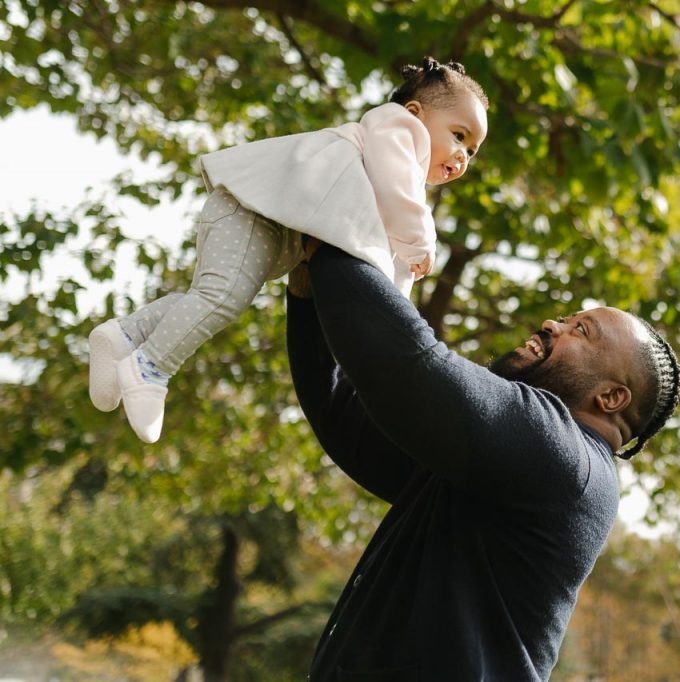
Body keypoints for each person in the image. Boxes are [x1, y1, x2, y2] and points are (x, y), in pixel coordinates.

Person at [286, 242, 680, 681]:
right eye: (568, 319)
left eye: (581, 331)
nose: (553, 324)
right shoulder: (500, 467)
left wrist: (335, 239)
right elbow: (343, 416)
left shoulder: (565, 461)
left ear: (610, 397)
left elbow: (411, 366)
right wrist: (305, 296)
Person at [86, 57, 488, 443]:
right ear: (416, 113)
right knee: (223, 297)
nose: (462, 156)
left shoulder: (397, 173)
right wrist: (421, 242)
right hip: (250, 212)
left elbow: (381, 259)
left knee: (215, 296)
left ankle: (123, 336)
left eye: (471, 151)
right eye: (458, 135)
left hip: (263, 225)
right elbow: (396, 193)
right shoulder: (398, 130)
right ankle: (151, 367)